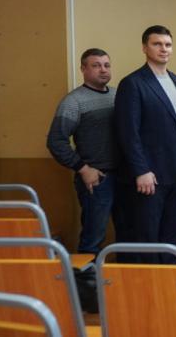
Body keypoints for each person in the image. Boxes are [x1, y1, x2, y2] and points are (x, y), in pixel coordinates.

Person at [114, 25, 176, 263]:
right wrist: (141, 170)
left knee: (173, 232)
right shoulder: (133, 83)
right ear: (144, 48)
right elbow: (128, 133)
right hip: (150, 175)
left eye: (168, 44)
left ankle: (168, 280)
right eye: (157, 44)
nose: (163, 49)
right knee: (147, 234)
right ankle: (148, 282)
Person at [47, 48, 118, 255]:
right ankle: (86, 275)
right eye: (96, 65)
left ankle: (122, 275)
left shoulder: (118, 95)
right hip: (97, 178)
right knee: (93, 237)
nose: (103, 70)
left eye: (106, 65)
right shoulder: (74, 101)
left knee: (128, 231)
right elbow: (56, 141)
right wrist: (83, 168)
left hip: (125, 176)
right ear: (83, 69)